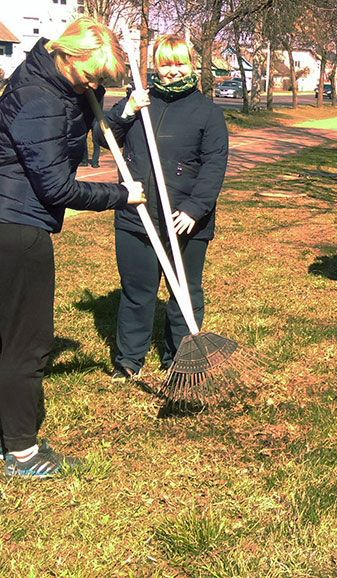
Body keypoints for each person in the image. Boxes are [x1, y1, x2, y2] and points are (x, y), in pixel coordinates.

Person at [0, 17, 145, 478]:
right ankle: (22, 453)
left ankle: (8, 434)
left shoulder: (52, 84)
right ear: (66, 54)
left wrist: (100, 96)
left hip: (11, 221)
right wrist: (123, 194)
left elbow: (85, 125)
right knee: (28, 342)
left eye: (101, 79)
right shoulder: (40, 99)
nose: (93, 83)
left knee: (9, 338)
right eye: (91, 74)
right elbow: (58, 188)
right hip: (17, 229)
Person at [104, 34, 228, 382]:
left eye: (179, 63)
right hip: (135, 215)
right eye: (165, 63)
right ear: (155, 66)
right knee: (137, 292)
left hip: (186, 220)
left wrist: (194, 209)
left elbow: (214, 165)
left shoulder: (208, 113)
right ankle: (129, 360)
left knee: (185, 292)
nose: (172, 71)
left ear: (191, 65)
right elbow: (103, 138)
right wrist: (127, 110)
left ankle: (179, 357)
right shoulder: (139, 102)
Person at [81, 92, 104, 167]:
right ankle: (94, 162)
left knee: (85, 139)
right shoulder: (100, 94)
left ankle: (85, 161)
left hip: (88, 118)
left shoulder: (86, 94)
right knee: (96, 141)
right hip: (96, 118)